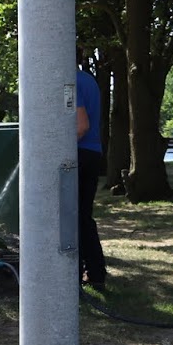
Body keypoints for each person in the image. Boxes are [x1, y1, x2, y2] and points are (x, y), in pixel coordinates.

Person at [74, 67, 108, 291]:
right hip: (92, 154)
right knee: (83, 217)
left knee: (70, 218)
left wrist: (58, 149)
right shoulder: (88, 80)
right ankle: (96, 274)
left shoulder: (69, 81)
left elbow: (81, 126)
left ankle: (73, 274)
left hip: (77, 154)